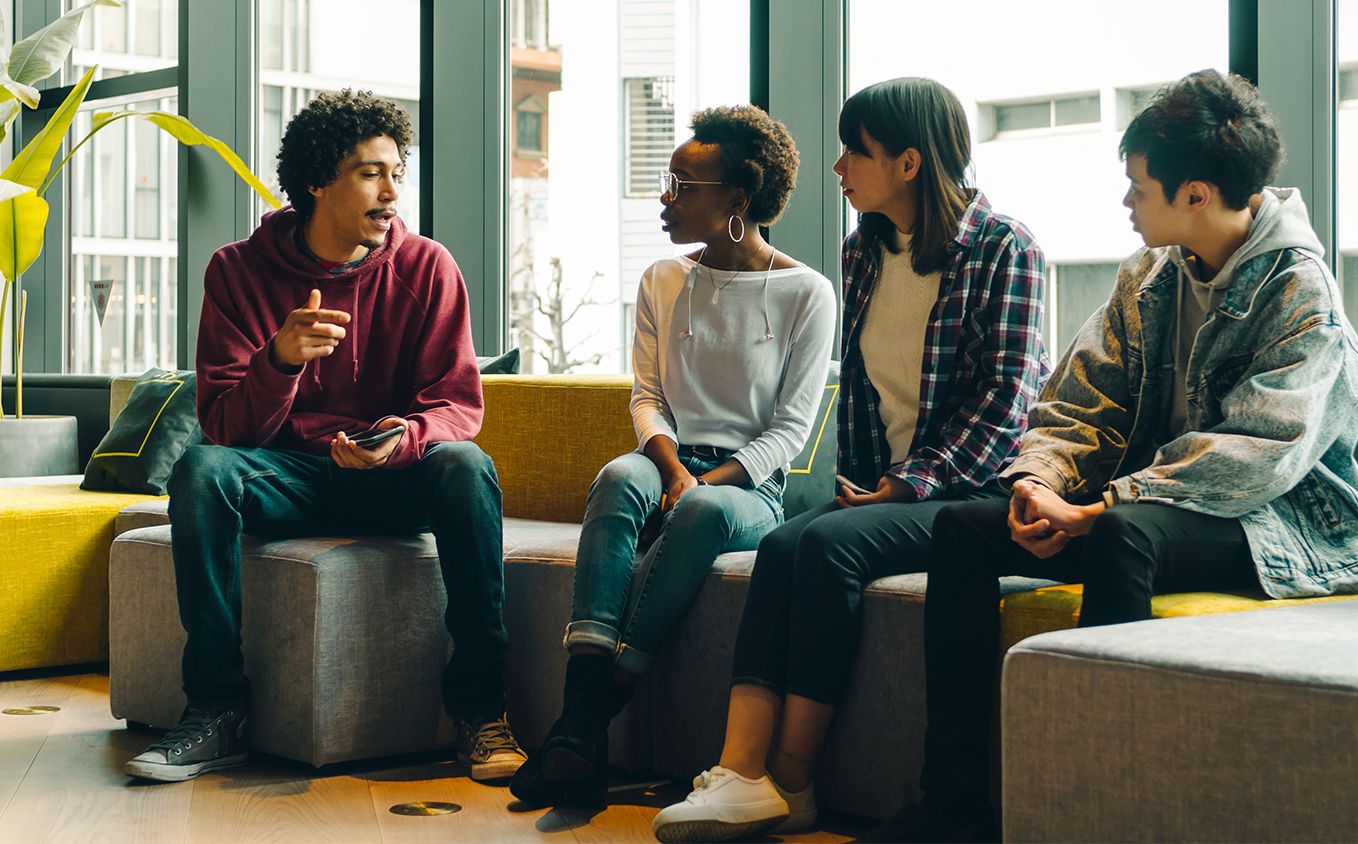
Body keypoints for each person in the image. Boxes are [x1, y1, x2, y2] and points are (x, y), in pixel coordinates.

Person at [876, 69, 1358, 841]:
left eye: (1137, 188)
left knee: (1122, 533)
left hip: (1282, 525)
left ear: (1197, 195)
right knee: (966, 530)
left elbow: (1261, 451)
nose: (1126, 203)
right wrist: (1040, 484)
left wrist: (1103, 505)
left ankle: (1087, 808)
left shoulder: (1300, 291)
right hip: (1153, 509)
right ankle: (952, 806)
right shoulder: (1148, 280)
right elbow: (1078, 398)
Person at [651, 77, 1049, 843]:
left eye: (853, 152)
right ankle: (744, 772)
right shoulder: (865, 251)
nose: (837, 168)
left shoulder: (1007, 251)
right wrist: (865, 487)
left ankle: (792, 780)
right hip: (889, 491)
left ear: (907, 162)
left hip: (971, 494)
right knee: (783, 544)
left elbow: (1006, 407)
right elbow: (863, 394)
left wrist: (904, 485)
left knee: (827, 547)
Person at [124, 89, 524, 783]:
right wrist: (277, 363)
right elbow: (224, 428)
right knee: (201, 470)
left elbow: (456, 403)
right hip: (293, 480)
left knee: (465, 463)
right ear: (316, 181)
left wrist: (401, 439)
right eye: (371, 173)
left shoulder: (428, 267)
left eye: (397, 171)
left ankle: (481, 710)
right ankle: (217, 711)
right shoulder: (238, 271)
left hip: (395, 478)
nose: (392, 190)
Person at [508, 105, 837, 808]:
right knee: (615, 478)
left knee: (705, 510)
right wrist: (672, 468)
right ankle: (585, 707)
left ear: (738, 200)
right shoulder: (663, 279)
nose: (666, 196)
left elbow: (791, 431)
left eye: (683, 184)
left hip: (750, 487)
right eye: (669, 180)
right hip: (665, 459)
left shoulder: (807, 293)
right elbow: (647, 397)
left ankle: (585, 723)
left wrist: (700, 483)